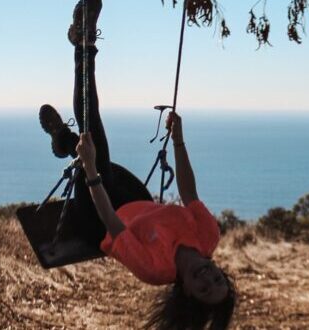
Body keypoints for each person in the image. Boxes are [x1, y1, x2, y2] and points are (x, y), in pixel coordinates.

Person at [37, 1, 237, 329]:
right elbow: (189, 193)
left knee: (95, 146)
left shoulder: (155, 269)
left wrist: (89, 172)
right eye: (218, 282)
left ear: (187, 292)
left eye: (203, 289)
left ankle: (83, 45)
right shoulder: (208, 236)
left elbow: (113, 223)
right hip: (136, 198)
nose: (208, 279)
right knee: (94, 148)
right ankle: (62, 139)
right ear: (223, 275)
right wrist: (178, 141)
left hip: (100, 218)